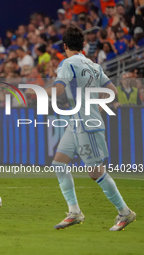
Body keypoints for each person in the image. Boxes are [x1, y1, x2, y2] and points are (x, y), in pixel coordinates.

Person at [41, 26, 136, 231]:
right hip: (77, 122)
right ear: (82, 45)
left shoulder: (67, 63)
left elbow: (58, 91)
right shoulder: (94, 66)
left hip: (85, 124)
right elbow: (112, 91)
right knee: (59, 163)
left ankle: (125, 212)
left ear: (65, 46)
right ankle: (74, 212)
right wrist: (97, 108)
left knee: (95, 172)